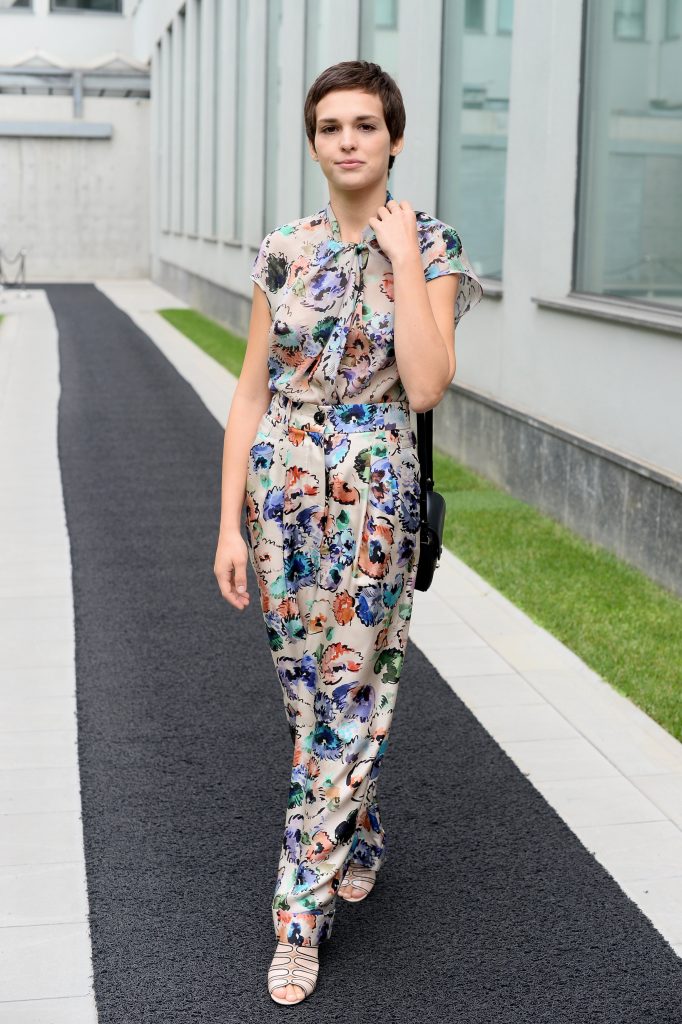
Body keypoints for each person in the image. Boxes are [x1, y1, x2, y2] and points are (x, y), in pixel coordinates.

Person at [214, 60, 482, 1006]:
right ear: (315, 143)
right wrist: (228, 525)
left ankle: (298, 915)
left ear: (394, 139)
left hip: (375, 497)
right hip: (281, 496)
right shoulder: (282, 249)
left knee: (344, 696)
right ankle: (356, 832)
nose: (348, 140)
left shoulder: (432, 244)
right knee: (307, 696)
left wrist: (402, 259)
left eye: (366, 124)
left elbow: (427, 384)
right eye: (331, 127)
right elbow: (251, 390)